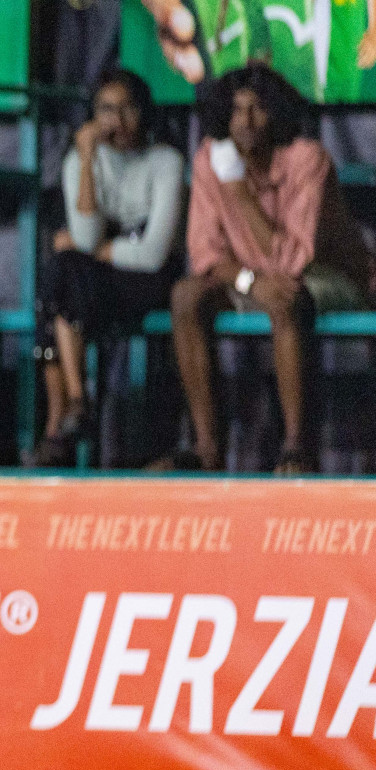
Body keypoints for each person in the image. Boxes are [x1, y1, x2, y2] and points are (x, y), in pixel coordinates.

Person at [165, 63, 373, 474]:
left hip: (332, 276)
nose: (245, 121)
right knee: (186, 295)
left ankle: (297, 449)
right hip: (253, 277)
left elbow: (294, 260)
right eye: (236, 110)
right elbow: (205, 254)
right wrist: (248, 281)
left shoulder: (307, 160)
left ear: (276, 113)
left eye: (257, 109)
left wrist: (241, 197)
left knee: (287, 296)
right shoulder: (212, 160)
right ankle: (207, 448)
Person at [34, 68, 183, 467]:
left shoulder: (165, 161)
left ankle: (61, 422)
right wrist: (85, 160)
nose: (116, 121)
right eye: (105, 110)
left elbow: (153, 255)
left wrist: (102, 250)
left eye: (126, 108)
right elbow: (84, 242)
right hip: (95, 284)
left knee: (60, 281)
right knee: (62, 272)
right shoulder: (81, 160)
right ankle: (77, 403)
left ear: (144, 112)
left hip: (149, 282)